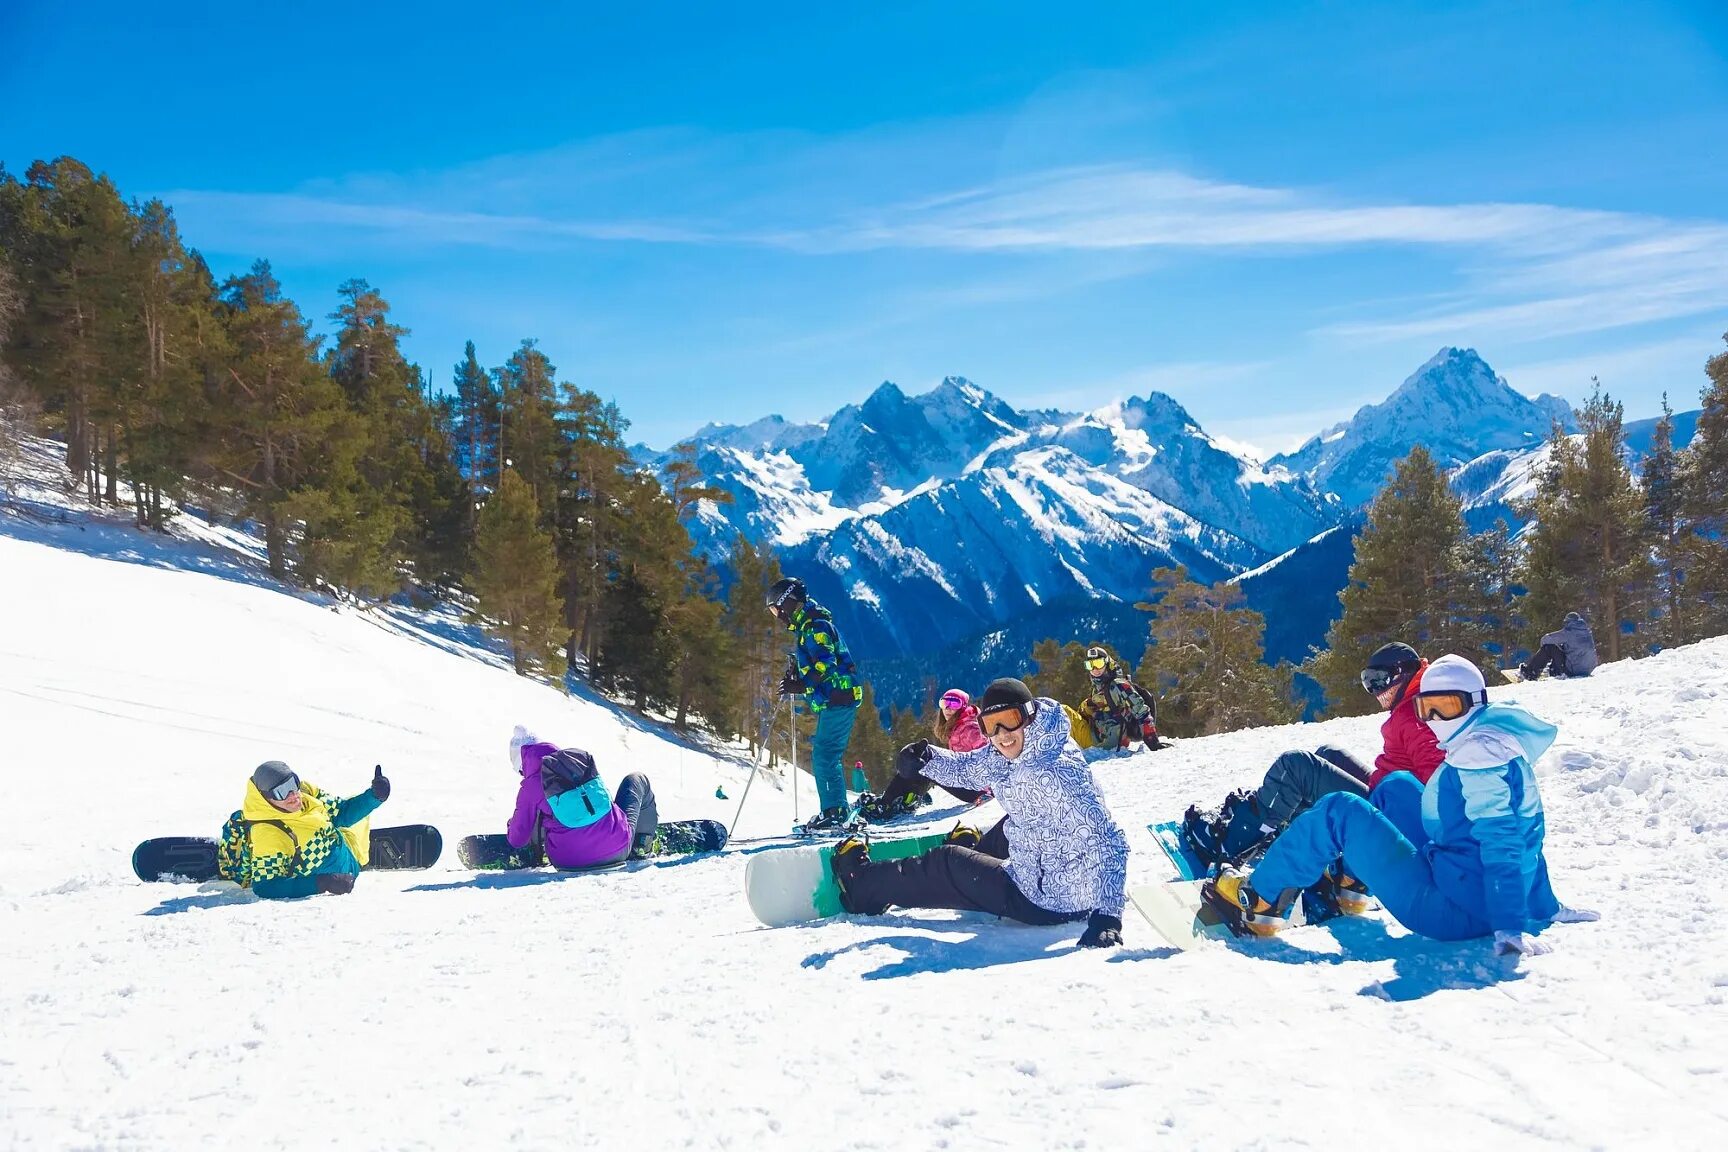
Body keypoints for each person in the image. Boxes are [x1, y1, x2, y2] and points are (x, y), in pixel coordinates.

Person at [1203, 655, 1597, 955]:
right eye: (1429, 709)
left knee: (1340, 809)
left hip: (1452, 910)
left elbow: (1504, 842)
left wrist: (1510, 927)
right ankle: (1350, 885)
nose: (1438, 719)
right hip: (1461, 879)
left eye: (1449, 706)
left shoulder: (1480, 759)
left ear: (1474, 701)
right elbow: (1531, 838)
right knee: (1395, 786)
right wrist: (1545, 907)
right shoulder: (1494, 739)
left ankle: (1259, 901)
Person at [830, 677, 1130, 949]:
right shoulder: (1030, 741)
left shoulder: (1059, 774)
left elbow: (1112, 841)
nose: (1001, 735)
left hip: (1045, 900)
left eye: (1009, 720)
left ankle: (861, 886)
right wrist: (927, 758)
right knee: (1016, 820)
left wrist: (1108, 916)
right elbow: (971, 769)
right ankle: (975, 852)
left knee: (947, 862)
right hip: (1052, 872)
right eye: (990, 725)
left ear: (1028, 716)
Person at [1180, 642, 1441, 875]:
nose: (1374, 690)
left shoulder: (1417, 715)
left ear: (1404, 673)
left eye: (1379, 680)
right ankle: (1287, 829)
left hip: (1393, 822)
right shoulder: (1415, 703)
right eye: (1368, 681)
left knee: (1294, 766)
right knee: (1329, 754)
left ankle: (1232, 844)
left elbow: (1437, 785)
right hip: (1390, 799)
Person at [767, 576, 864, 832]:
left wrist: (802, 684)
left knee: (825, 754)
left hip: (839, 696)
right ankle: (836, 809)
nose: (777, 616)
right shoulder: (809, 626)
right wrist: (800, 676)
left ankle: (835, 812)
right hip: (837, 696)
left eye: (776, 609)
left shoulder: (815, 626)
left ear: (788, 602)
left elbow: (826, 664)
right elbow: (818, 664)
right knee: (825, 753)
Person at [215, 760, 391, 899]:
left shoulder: (305, 793)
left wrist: (375, 796)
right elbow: (266, 886)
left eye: (292, 783)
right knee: (356, 840)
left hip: (344, 845)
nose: (293, 795)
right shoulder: (269, 834)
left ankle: (359, 850)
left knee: (357, 806)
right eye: (282, 792)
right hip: (340, 874)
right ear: (267, 798)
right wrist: (322, 883)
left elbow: (341, 812)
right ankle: (362, 856)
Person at [505, 726, 661, 868]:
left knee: (539, 808)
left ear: (522, 764)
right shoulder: (579, 761)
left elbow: (517, 839)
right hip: (618, 847)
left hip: (567, 860)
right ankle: (641, 846)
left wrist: (512, 824)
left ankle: (540, 855)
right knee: (636, 779)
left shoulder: (531, 786)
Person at [862, 688, 992, 819]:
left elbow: (987, 758)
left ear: (963, 707)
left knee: (925, 761)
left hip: (978, 790)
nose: (947, 708)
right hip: (968, 782)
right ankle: (900, 800)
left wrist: (988, 790)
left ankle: (887, 804)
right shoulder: (959, 727)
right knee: (921, 763)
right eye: (944, 704)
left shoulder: (972, 728)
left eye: (954, 704)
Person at [1081, 647, 1161, 750]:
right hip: (1099, 736)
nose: (1095, 669)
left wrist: (1152, 740)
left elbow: (1142, 711)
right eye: (1090, 665)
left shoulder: (1119, 685)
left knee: (1064, 712)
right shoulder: (1098, 687)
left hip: (1112, 742)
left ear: (1107, 663)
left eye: (1099, 663)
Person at [1520, 612, 1599, 681]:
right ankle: (1553, 669)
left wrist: (1545, 651)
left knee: (1549, 647)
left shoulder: (1569, 632)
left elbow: (1546, 639)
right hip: (1588, 670)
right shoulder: (1587, 632)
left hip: (1574, 671)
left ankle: (1530, 673)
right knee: (1564, 649)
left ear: (1568, 622)